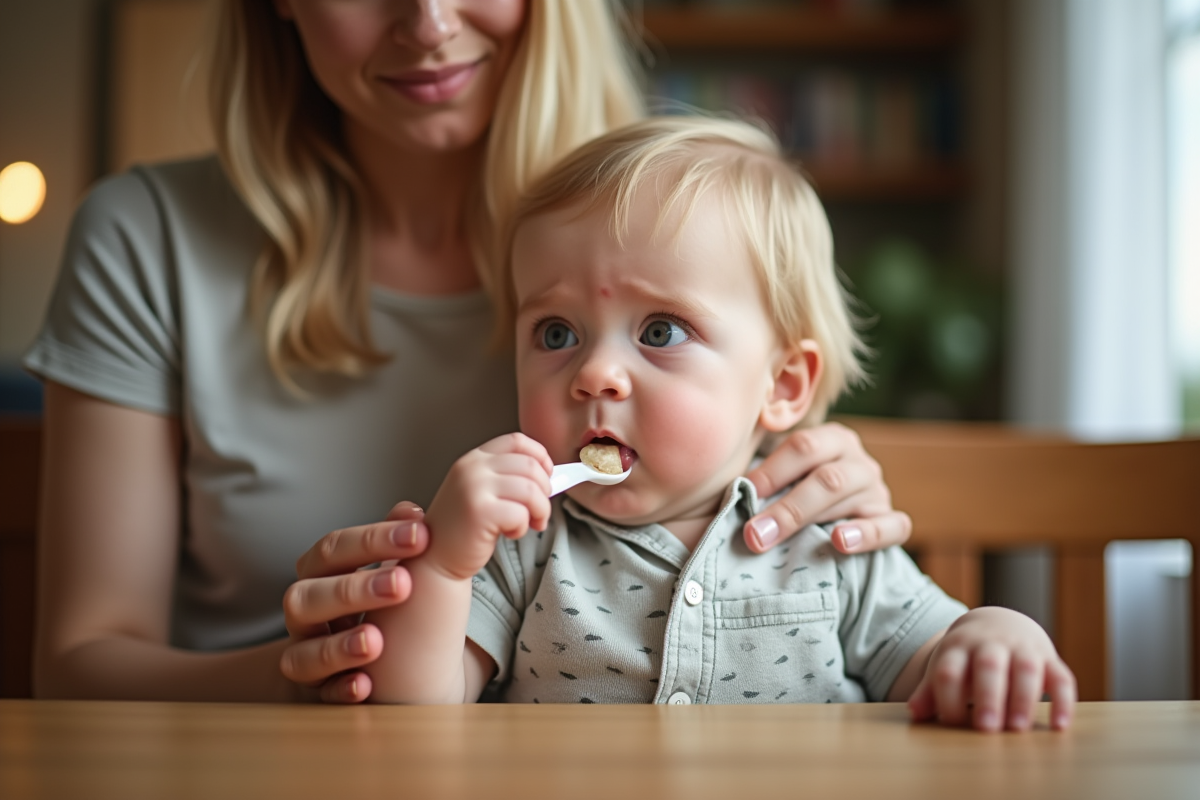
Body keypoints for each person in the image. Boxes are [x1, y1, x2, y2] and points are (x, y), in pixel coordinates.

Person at [24, 0, 910, 704]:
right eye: (554, 335)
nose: (430, 21)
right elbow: (77, 666)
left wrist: (814, 478)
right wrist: (335, 675)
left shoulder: (663, 211)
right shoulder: (146, 241)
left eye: (659, 332)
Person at [362, 116, 1077, 732]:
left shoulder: (826, 544)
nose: (593, 374)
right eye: (555, 334)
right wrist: (446, 564)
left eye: (661, 331)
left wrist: (995, 634)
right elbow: (411, 717)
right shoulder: (522, 545)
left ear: (782, 385)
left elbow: (932, 666)